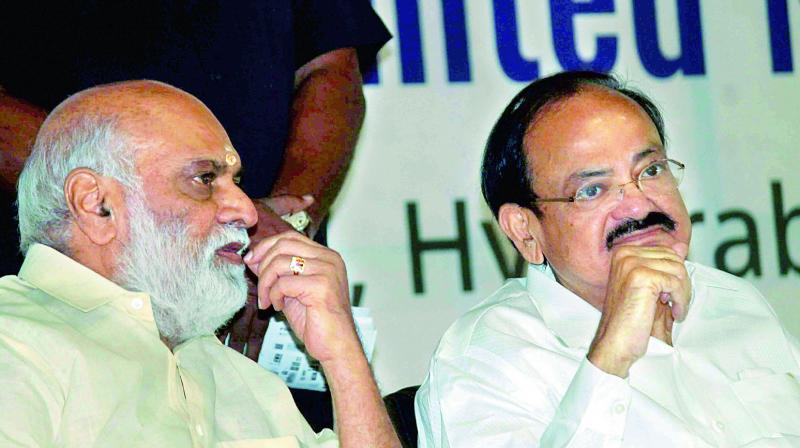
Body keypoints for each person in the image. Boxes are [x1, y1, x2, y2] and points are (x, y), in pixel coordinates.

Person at [0, 0, 390, 428]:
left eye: (236, 184)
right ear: (95, 202)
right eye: (205, 178)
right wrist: (117, 163)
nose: (244, 210)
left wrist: (343, 359)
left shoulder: (244, 385)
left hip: (230, 329)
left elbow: (330, 65)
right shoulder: (19, 353)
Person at [415, 71, 800, 447]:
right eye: (592, 190)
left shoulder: (734, 302)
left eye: (650, 170)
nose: (637, 203)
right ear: (525, 231)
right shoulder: (485, 361)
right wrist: (608, 360)